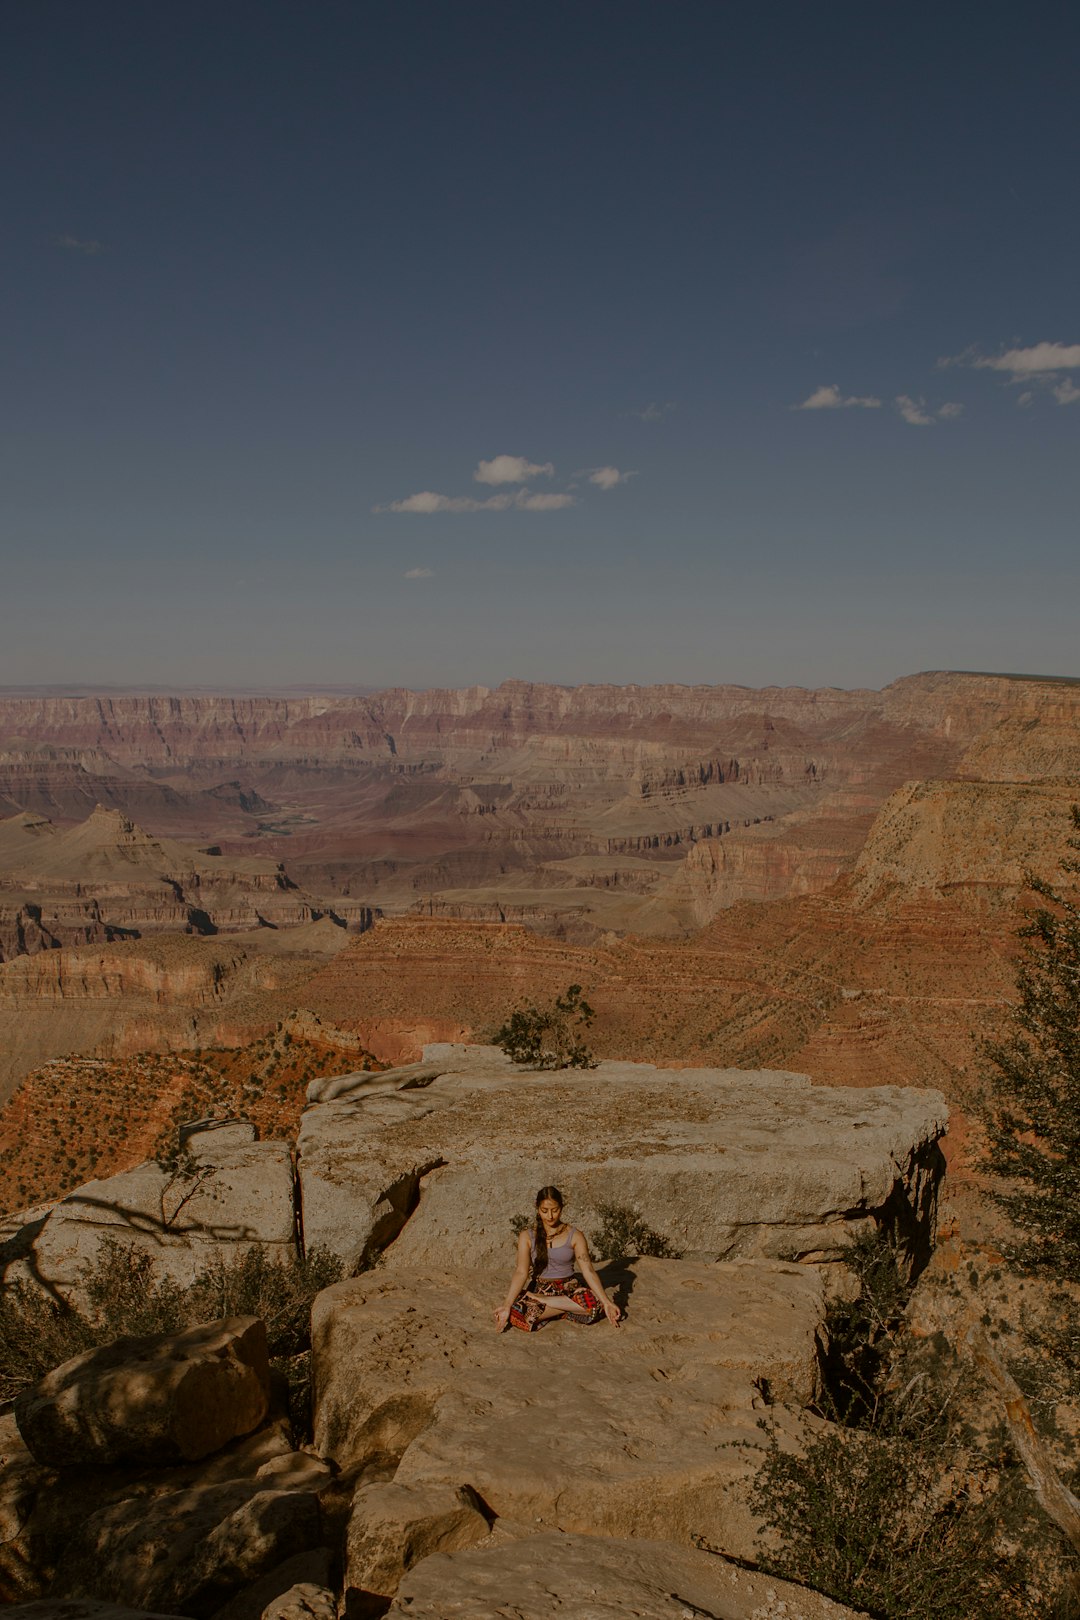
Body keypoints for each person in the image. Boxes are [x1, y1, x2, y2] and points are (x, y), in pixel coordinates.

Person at [493, 1185, 622, 1332]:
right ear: (537, 1208)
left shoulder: (575, 1235)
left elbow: (588, 1271)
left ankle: (549, 1305)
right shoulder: (526, 1236)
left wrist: (606, 1302)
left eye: (555, 1210)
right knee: (516, 1312)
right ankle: (565, 1307)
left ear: (561, 1207)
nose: (550, 1216)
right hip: (540, 1289)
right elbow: (521, 1272)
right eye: (545, 1211)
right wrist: (506, 1305)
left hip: (568, 1288)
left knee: (599, 1303)